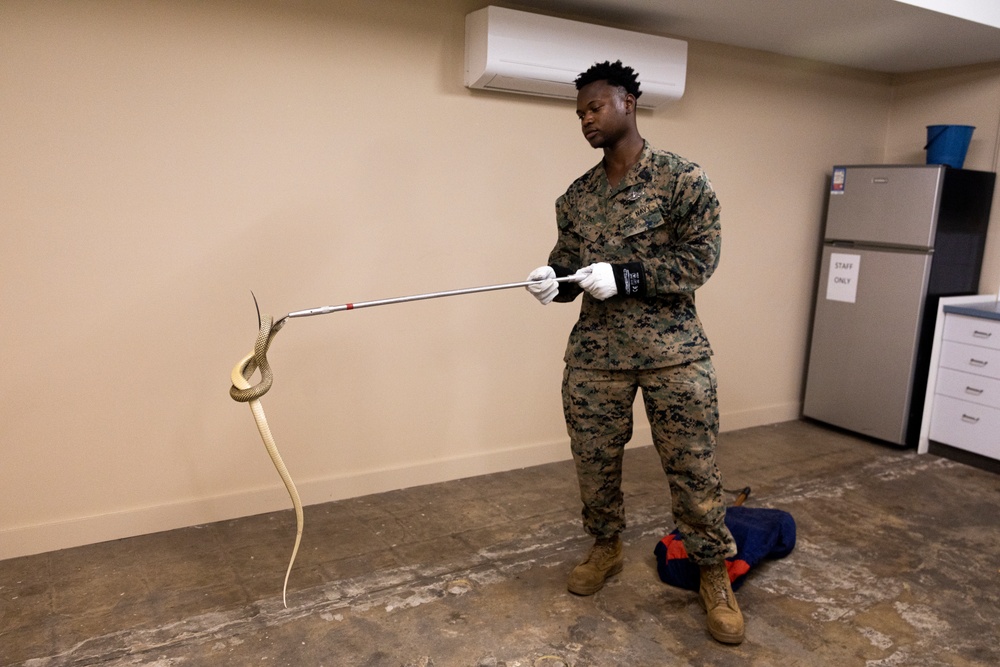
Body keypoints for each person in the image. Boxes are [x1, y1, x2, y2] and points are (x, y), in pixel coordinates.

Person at [525, 60, 743, 645]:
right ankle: (605, 547)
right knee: (594, 462)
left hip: (674, 353)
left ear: (626, 101)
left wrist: (627, 276)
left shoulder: (681, 180)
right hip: (597, 357)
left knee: (694, 466)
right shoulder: (576, 198)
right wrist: (554, 282)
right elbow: (570, 268)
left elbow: (701, 259)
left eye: (594, 108)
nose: (586, 120)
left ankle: (713, 572)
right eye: (579, 114)